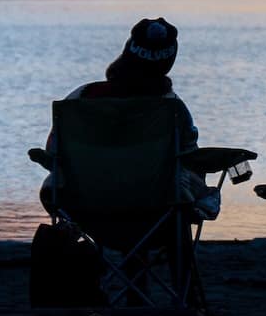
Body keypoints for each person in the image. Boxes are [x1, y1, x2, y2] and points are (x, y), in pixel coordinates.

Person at [38, 17, 215, 219]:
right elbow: (191, 159)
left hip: (86, 209)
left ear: (126, 53)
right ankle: (174, 245)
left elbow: (53, 152)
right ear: (168, 63)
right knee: (185, 183)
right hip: (154, 213)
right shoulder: (173, 110)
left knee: (56, 180)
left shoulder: (81, 98)